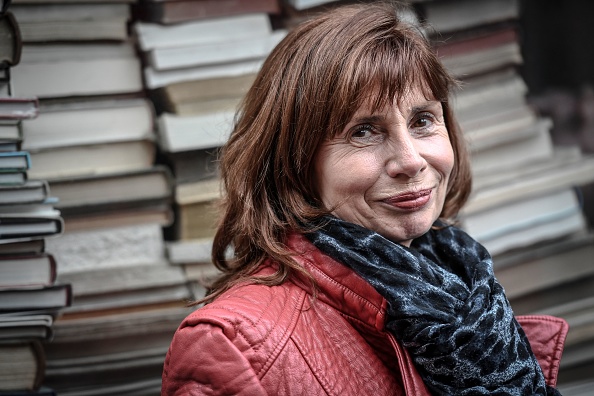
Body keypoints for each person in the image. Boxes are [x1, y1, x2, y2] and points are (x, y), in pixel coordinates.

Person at [161, 2, 568, 395]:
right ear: (294, 163)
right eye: (364, 131)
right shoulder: (233, 348)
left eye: (422, 120)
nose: (411, 161)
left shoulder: (463, 287)